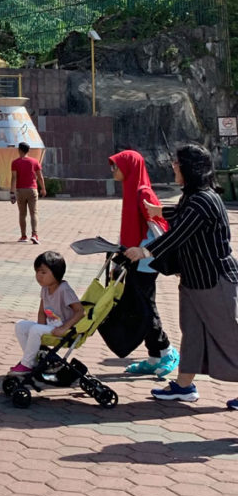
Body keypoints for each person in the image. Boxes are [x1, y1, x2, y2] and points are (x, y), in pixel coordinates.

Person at [134, 144, 238, 407]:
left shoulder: (203, 199)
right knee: (192, 334)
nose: (174, 167)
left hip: (214, 281)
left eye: (177, 163)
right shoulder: (193, 198)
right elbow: (183, 215)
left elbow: (179, 233)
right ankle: (183, 386)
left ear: (190, 168)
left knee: (229, 335)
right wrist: (161, 212)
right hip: (193, 280)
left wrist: (145, 251)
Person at [109, 149, 178, 377]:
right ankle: (154, 356)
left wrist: (149, 253)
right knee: (139, 307)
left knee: (145, 307)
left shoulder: (142, 191)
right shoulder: (131, 189)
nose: (113, 170)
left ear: (129, 167)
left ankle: (167, 351)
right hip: (132, 261)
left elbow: (159, 228)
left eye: (116, 166)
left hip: (146, 262)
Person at [9, 250, 84, 374]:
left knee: (35, 330)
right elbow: (42, 312)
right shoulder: (45, 288)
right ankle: (34, 360)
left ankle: (26, 364)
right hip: (50, 327)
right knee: (20, 326)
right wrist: (40, 327)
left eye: (43, 272)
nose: (39, 275)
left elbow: (80, 311)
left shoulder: (64, 290)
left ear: (56, 273)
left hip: (64, 330)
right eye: (37, 272)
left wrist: (64, 328)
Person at [10, 141, 46, 244]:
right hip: (32, 190)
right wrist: (43, 188)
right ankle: (35, 234)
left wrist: (12, 193)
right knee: (33, 213)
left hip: (20, 190)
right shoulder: (34, 161)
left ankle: (23, 236)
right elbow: (40, 177)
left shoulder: (15, 162)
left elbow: (14, 178)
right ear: (28, 150)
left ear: (19, 150)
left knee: (22, 214)